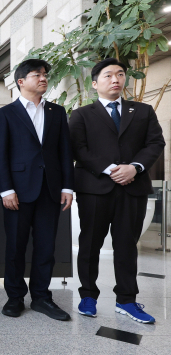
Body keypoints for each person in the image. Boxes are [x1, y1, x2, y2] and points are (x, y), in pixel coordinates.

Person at [69, 58, 164, 323]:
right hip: (94, 189)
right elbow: (77, 149)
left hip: (132, 188)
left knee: (126, 246)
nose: (116, 79)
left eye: (120, 74)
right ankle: (88, 296)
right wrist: (111, 168)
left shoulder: (142, 111)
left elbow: (155, 143)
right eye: (109, 75)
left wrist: (135, 167)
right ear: (95, 83)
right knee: (90, 245)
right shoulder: (82, 114)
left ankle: (127, 300)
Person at [0, 59, 74, 321]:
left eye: (45, 74)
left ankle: (41, 297)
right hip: (17, 192)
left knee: (46, 247)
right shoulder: (5, 114)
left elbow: (64, 152)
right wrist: (6, 190)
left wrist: (67, 186)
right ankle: (15, 298)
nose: (43, 78)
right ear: (20, 81)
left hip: (50, 190)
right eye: (37, 74)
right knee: (15, 247)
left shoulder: (57, 112)